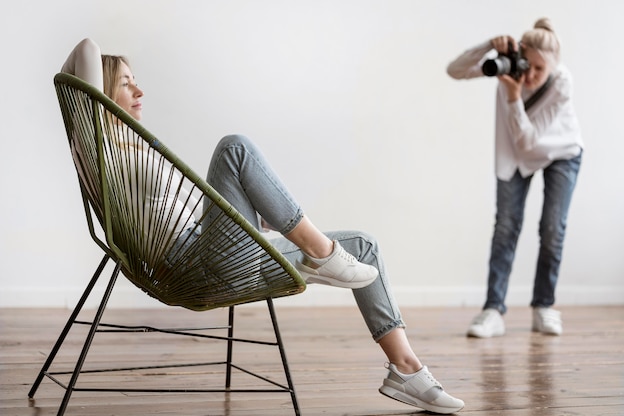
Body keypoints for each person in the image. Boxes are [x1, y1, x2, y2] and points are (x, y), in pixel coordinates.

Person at [61, 38, 465, 414]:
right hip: (195, 268)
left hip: (212, 254)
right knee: (234, 148)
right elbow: (85, 50)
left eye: (137, 82)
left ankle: (407, 370)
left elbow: (191, 214)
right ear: (98, 93)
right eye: (127, 83)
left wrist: (251, 214)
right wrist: (90, 95)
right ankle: (320, 252)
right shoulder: (96, 144)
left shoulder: (131, 145)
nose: (139, 92)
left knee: (364, 246)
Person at [446, 18, 583, 338]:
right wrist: (488, 47)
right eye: (527, 65)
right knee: (506, 226)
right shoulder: (512, 71)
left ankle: (544, 306)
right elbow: (454, 71)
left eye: (540, 69)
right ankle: (493, 309)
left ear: (554, 66)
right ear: (519, 56)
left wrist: (512, 97)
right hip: (514, 157)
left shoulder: (562, 82)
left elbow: (530, 142)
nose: (531, 75)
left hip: (559, 152)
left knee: (552, 228)